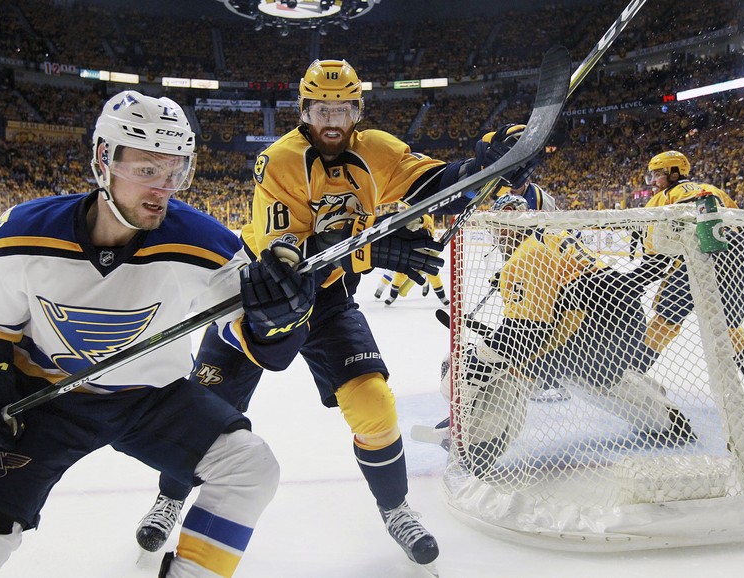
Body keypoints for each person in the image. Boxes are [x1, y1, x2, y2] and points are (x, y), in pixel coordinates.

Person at [137, 59, 540, 569]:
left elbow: (436, 184)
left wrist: (491, 166)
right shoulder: (279, 160)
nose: (333, 119)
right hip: (262, 299)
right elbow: (286, 259)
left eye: (344, 108)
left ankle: (396, 509)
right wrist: (370, 250)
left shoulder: (380, 150)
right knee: (203, 408)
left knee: (374, 406)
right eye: (322, 108)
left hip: (327, 303)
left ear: (358, 110)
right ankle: (171, 496)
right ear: (303, 110)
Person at [0, 90, 317, 578]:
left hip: (151, 399)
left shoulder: (206, 244)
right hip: (43, 400)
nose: (162, 188)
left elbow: (266, 345)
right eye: (147, 170)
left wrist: (281, 318)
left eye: (175, 172)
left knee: (250, 469)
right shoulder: (25, 232)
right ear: (103, 160)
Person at [443, 193, 696, 478]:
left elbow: (528, 332)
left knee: (511, 371)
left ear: (509, 225)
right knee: (590, 379)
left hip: (586, 328)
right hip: (615, 324)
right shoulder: (552, 235)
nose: (497, 234)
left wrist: (481, 358)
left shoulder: (526, 256)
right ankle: (668, 420)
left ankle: (480, 444)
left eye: (499, 227)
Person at [638, 151, 744, 400]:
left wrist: (645, 273)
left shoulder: (663, 198)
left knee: (664, 322)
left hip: (691, 265)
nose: (654, 181)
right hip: (732, 263)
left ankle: (633, 374)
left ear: (674, 172)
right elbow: (742, 228)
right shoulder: (713, 189)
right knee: (728, 327)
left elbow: (653, 250)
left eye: (658, 174)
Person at [383, 214, 449, 307]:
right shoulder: (409, 221)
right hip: (410, 252)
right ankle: (392, 296)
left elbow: (427, 236)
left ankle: (442, 297)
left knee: (433, 274)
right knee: (400, 274)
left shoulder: (426, 219)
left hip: (423, 252)